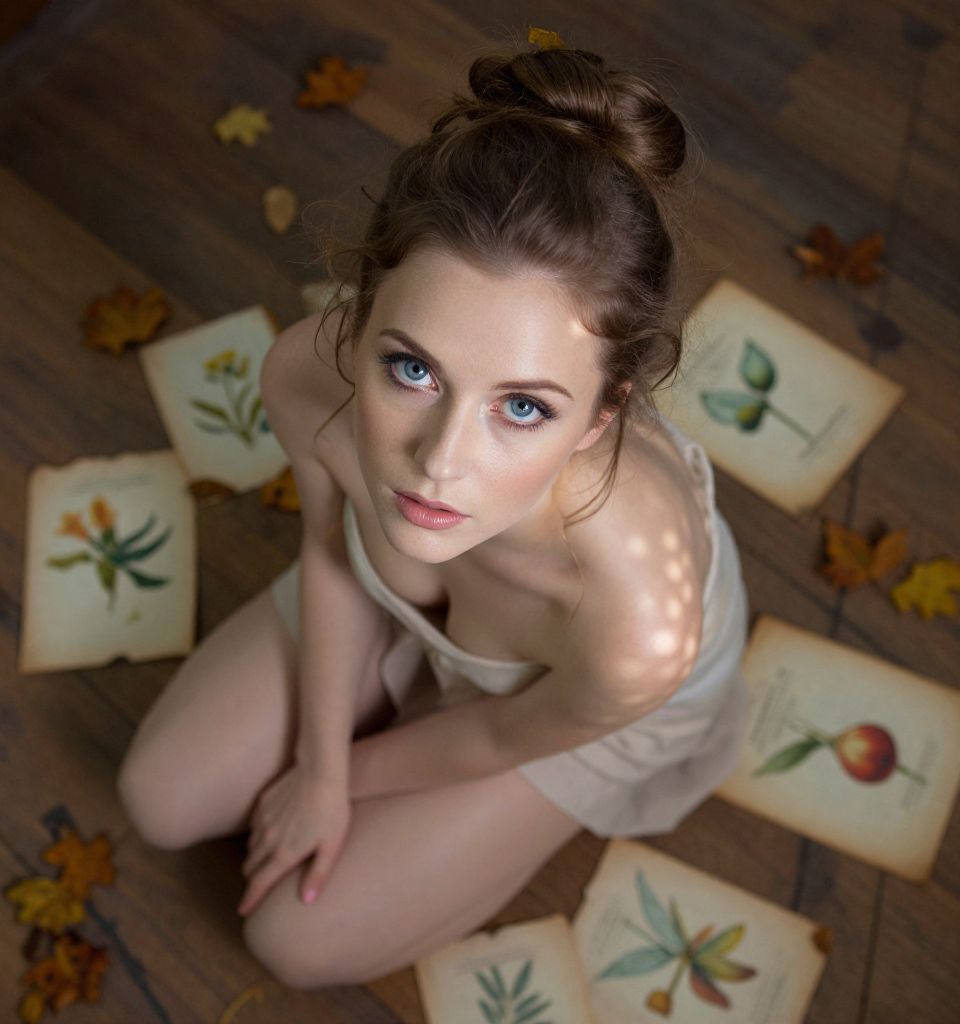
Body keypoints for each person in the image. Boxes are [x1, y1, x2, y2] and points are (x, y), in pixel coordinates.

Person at [116, 39, 750, 990]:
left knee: (293, 945)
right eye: (412, 369)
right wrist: (320, 768)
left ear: (600, 417)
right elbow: (333, 552)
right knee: (155, 799)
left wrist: (337, 782)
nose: (438, 464)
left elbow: (498, 735)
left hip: (552, 709)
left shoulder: (637, 629)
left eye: (524, 406)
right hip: (403, 607)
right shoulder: (307, 377)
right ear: (361, 318)